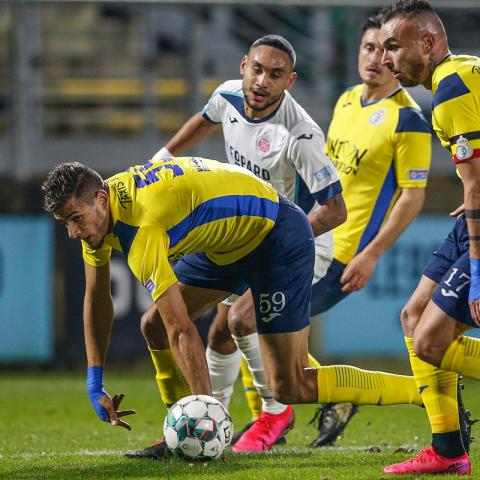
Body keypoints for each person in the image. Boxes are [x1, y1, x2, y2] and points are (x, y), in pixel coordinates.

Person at [43, 158, 428, 466]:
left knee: (290, 385)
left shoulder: (142, 226)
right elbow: (96, 299)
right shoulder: (99, 215)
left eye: (75, 219)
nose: (73, 233)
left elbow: (184, 332)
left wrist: (210, 425)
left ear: (102, 199)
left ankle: (424, 393)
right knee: (153, 325)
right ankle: (179, 432)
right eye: (65, 224)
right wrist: (95, 382)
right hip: (228, 244)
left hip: (277, 236)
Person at [132, 34, 347, 456]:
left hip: (300, 240)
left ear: (291, 81)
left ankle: (275, 411)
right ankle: (202, 424)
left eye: (276, 74)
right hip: (244, 235)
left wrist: (285, 241)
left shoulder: (300, 135)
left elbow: (335, 210)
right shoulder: (228, 95)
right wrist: (163, 157)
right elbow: (204, 117)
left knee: (241, 322)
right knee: (218, 333)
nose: (262, 81)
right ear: (244, 65)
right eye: (258, 69)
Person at [306, 14, 432, 448]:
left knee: (257, 322)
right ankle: (326, 401)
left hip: (345, 254)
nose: (376, 58)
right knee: (255, 323)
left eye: (386, 50)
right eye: (368, 48)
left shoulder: (409, 120)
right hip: (310, 241)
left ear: (398, 58)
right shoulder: (344, 101)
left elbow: (412, 196)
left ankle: (292, 412)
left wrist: (371, 254)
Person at [376, 0, 480, 475]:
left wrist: (476, 271)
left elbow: (473, 180)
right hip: (472, 212)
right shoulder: (461, 74)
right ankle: (448, 451)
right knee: (413, 314)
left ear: (429, 42)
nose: (385, 59)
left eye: (394, 46)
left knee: (431, 343)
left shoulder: (452, 89)